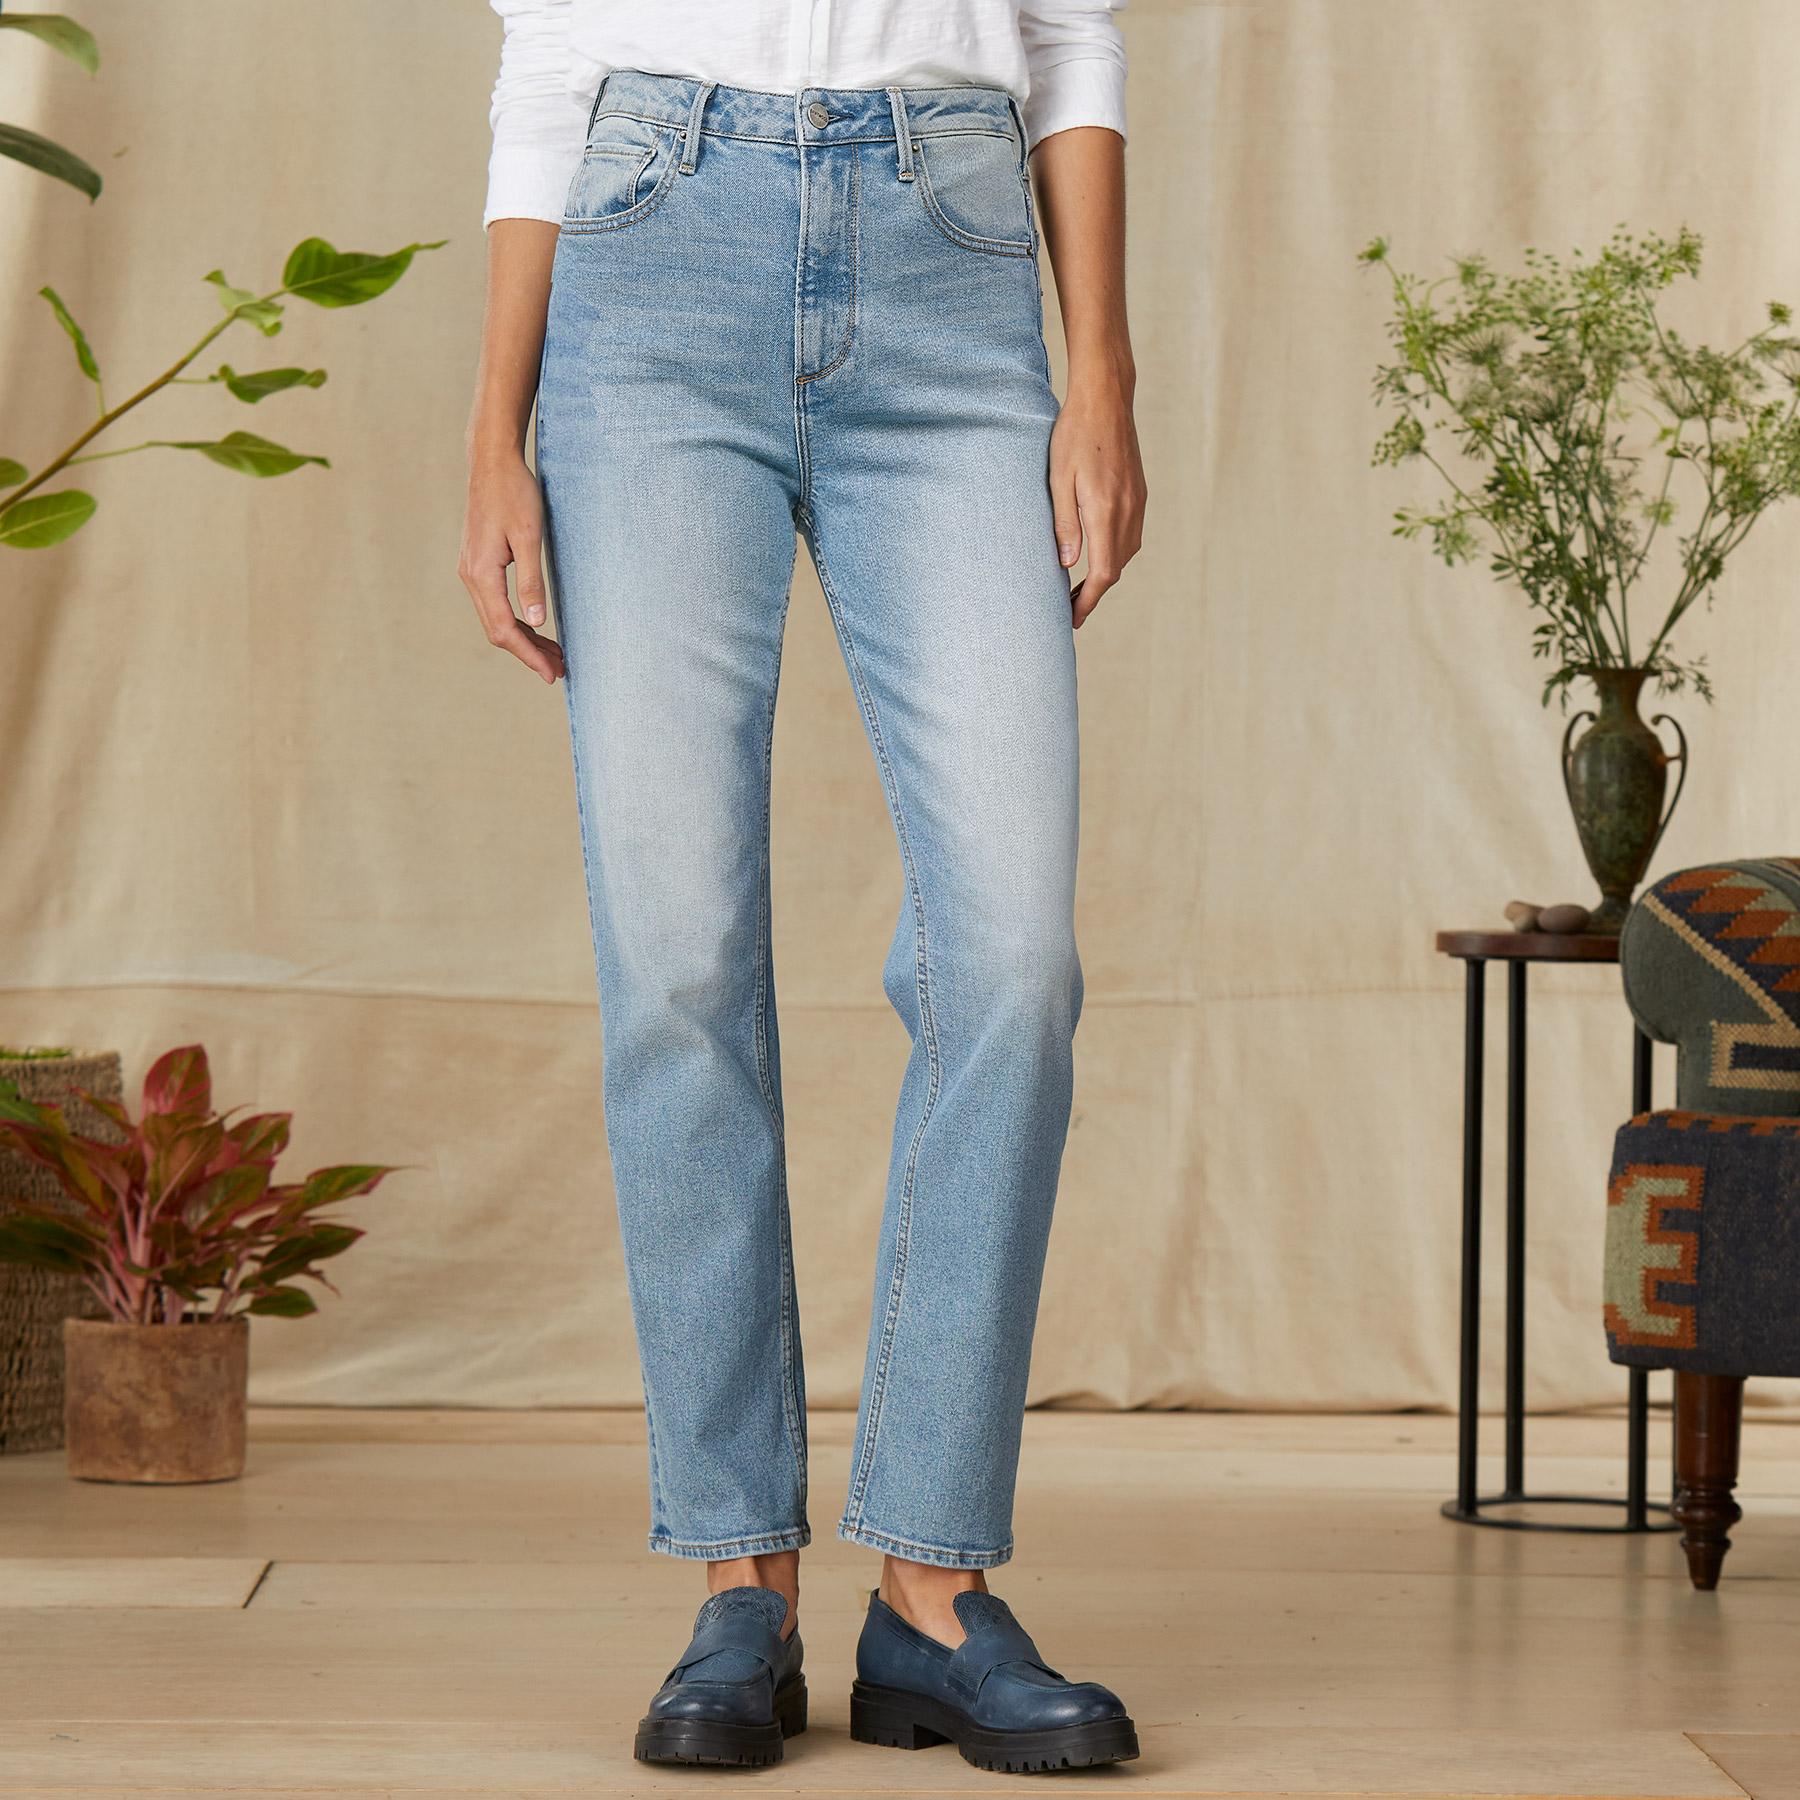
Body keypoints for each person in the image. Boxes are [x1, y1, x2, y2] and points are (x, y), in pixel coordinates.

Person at [461, 0, 1148, 1774]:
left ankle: (931, 1587)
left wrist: (1102, 376)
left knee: (1013, 962)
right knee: (676, 964)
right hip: (650, 264)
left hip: (954, 262)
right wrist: (494, 431)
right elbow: (548, 62)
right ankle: (739, 1582)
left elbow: (1070, 32)